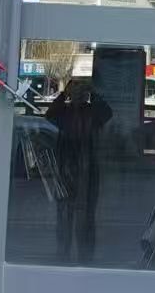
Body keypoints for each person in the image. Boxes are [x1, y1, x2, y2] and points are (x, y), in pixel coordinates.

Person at [47, 78, 113, 263]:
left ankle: (85, 256)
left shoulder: (92, 113)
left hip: (87, 168)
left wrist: (93, 93)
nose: (78, 94)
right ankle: (63, 253)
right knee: (64, 214)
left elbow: (107, 113)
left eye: (81, 91)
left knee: (86, 214)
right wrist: (64, 94)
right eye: (75, 90)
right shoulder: (64, 112)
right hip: (66, 167)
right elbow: (50, 115)